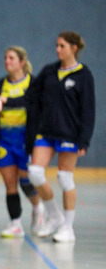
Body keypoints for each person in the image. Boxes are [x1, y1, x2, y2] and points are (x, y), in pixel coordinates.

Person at [26, 31, 95, 242]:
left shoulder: (84, 75)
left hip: (70, 134)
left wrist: (84, 140)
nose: (58, 49)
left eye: (62, 46)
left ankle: (68, 227)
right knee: (35, 173)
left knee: (65, 178)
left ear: (74, 48)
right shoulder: (49, 71)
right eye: (56, 45)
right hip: (46, 131)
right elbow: (31, 95)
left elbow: (88, 110)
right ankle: (54, 216)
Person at [0, 46, 45, 238]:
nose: (7, 61)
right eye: (6, 58)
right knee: (10, 184)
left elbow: (30, 103)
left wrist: (6, 101)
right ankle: (15, 223)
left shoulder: (33, 83)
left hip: (25, 140)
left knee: (26, 181)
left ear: (22, 62)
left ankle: (38, 208)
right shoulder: (0, 85)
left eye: (12, 58)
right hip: (4, 141)